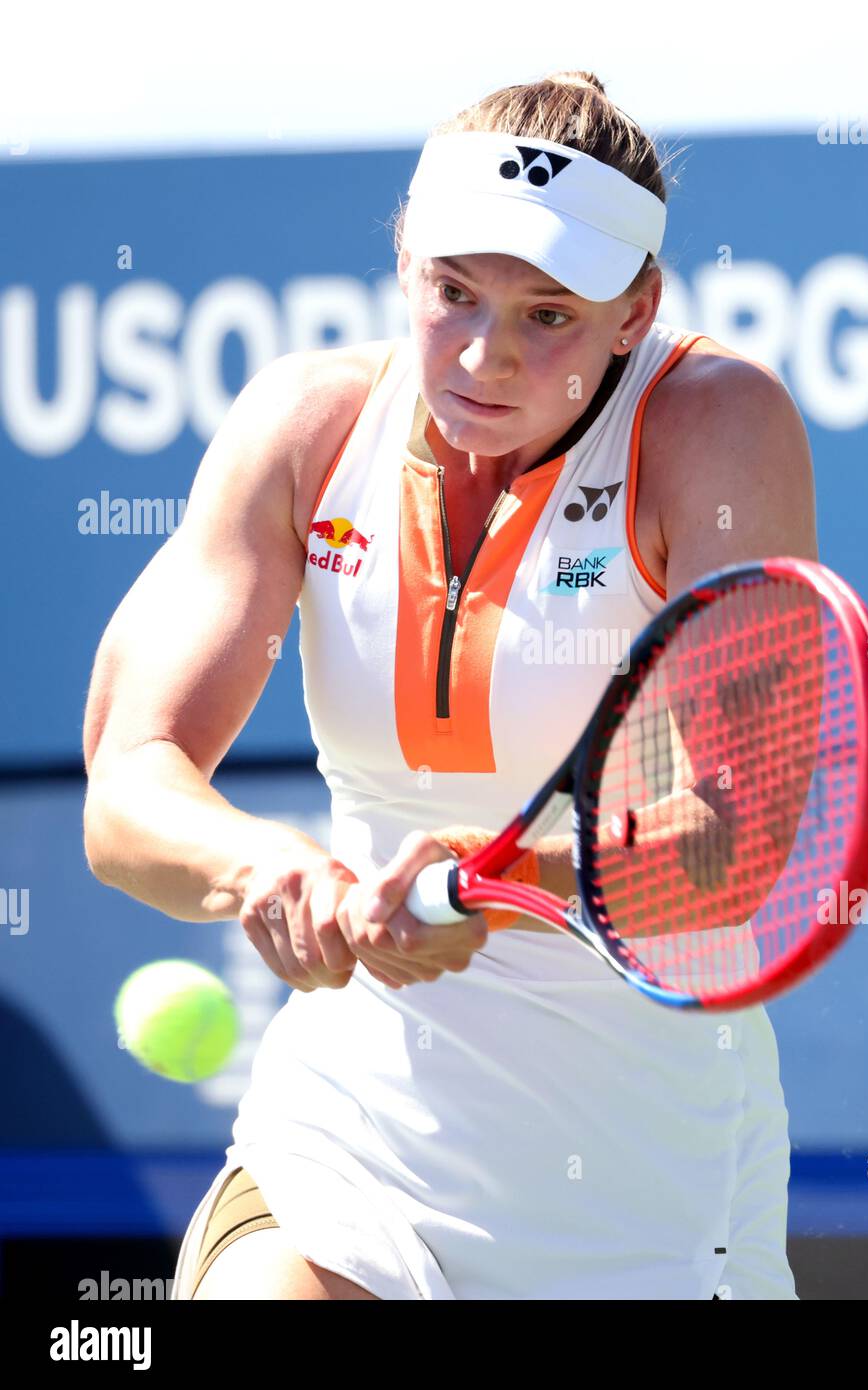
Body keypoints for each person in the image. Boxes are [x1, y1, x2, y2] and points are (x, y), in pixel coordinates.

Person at [82, 69, 817, 1300]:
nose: (485, 354)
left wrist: (500, 875)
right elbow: (128, 788)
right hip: (344, 1152)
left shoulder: (713, 428)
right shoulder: (306, 426)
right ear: (403, 260)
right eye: (453, 291)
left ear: (636, 310)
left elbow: (738, 847)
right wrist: (271, 869)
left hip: (652, 1198)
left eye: (550, 315)